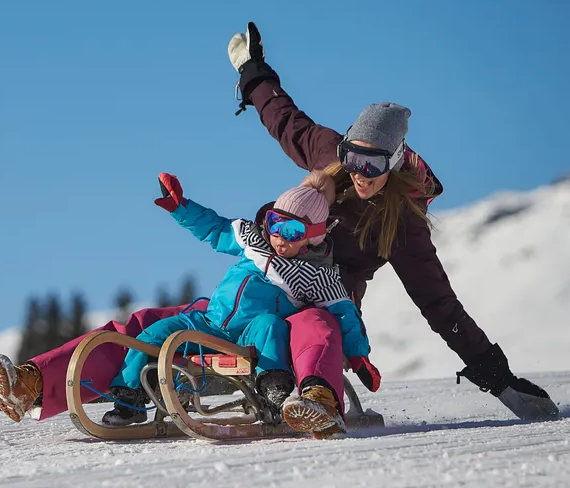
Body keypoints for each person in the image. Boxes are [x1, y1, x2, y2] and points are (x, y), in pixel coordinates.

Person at [226, 22, 559, 420]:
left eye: (373, 164)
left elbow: (439, 305)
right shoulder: (328, 155)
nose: (360, 172)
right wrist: (252, 70)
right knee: (237, 304)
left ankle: (311, 392)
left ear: (395, 161)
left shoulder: (401, 223)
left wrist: (500, 380)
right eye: (354, 158)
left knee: (310, 324)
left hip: (332, 297)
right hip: (278, 270)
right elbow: (284, 119)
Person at [92, 173, 379, 438]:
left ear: (312, 235)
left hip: (249, 334)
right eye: (275, 224)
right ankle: (128, 399)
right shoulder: (252, 239)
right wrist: (180, 207)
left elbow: (344, 312)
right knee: (155, 333)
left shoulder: (315, 274)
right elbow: (215, 228)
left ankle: (275, 391)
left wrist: (358, 356)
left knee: (272, 325)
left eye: (292, 231)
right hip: (210, 323)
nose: (279, 237)